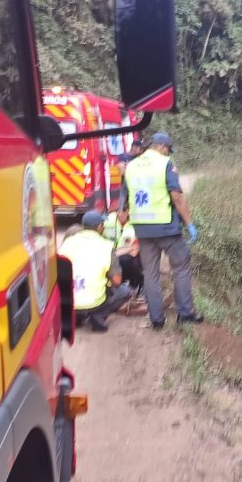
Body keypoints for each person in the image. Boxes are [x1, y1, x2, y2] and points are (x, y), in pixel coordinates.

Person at [121, 131, 202, 328]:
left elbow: (123, 205)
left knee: (150, 273)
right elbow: (177, 196)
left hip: (142, 229)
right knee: (181, 267)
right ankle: (185, 313)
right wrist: (189, 223)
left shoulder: (131, 166)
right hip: (167, 228)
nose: (168, 153)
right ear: (162, 146)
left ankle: (156, 319)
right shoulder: (166, 164)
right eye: (168, 150)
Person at [58, 211, 131, 332]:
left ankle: (76, 317)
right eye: (103, 224)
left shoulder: (67, 242)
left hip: (68, 300)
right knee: (125, 291)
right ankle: (98, 315)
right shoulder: (107, 246)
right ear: (99, 227)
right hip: (94, 302)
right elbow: (117, 281)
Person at [103, 208, 143, 295]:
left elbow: (134, 251)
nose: (120, 214)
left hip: (125, 258)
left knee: (131, 260)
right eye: (118, 210)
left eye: (124, 210)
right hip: (109, 255)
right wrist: (124, 250)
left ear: (129, 210)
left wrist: (114, 253)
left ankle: (134, 287)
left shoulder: (137, 223)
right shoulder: (107, 220)